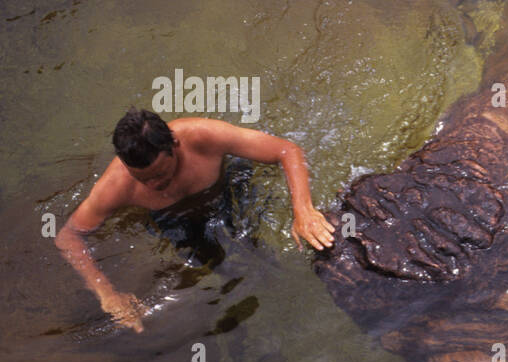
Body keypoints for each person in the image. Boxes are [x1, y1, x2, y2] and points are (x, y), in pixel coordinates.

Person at [56, 106, 335, 332]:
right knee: (224, 272)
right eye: (143, 179)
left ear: (175, 145)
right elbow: (68, 236)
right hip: (175, 220)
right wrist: (106, 292)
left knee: (270, 250)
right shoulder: (116, 187)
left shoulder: (202, 136)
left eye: (161, 174)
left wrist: (303, 210)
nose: (154, 185)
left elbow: (286, 150)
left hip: (229, 185)